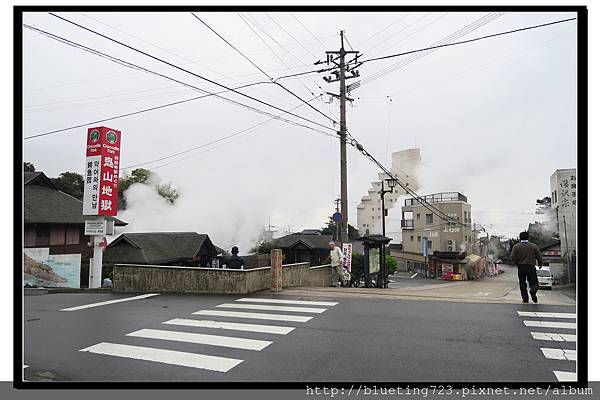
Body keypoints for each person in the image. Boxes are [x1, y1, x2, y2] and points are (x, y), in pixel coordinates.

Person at [510, 231, 543, 303]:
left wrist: (516, 263)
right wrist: (540, 264)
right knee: (534, 282)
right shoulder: (534, 246)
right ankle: (533, 291)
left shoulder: (516, 247)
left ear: (519, 238)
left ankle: (525, 299)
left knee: (522, 283)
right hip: (531, 267)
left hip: (521, 267)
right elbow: (539, 256)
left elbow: (512, 256)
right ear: (528, 237)